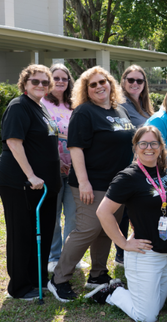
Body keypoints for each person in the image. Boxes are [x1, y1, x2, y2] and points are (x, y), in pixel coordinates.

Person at [49, 66, 136, 302]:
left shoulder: (120, 110)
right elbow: (75, 148)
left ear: (110, 84)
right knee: (87, 228)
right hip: (92, 183)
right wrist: (84, 182)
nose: (99, 87)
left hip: (117, 183)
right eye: (93, 84)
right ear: (86, 90)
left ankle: (98, 275)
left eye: (103, 82)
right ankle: (58, 278)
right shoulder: (84, 112)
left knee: (107, 230)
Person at [93, 126, 167, 322]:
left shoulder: (162, 172)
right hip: (145, 254)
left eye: (153, 143)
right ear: (135, 147)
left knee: (158, 306)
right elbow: (103, 212)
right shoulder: (128, 177)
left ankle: (123, 291)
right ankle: (114, 292)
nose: (148, 148)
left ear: (160, 147)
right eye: (143, 143)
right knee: (146, 316)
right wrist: (123, 244)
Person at [0, 64, 61, 300]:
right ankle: (19, 287)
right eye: (35, 81)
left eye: (45, 82)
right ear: (24, 83)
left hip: (43, 185)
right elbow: (14, 142)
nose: (40, 85)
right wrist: (31, 175)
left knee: (39, 231)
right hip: (19, 183)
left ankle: (36, 280)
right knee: (21, 233)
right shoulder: (19, 106)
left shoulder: (40, 108)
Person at [115, 64, 153, 266]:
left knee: (135, 209)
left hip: (145, 165)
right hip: (128, 165)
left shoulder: (146, 106)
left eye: (140, 80)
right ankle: (120, 252)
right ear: (123, 82)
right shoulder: (120, 106)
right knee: (123, 210)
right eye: (131, 80)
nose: (135, 84)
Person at [42, 63, 76, 274]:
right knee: (53, 215)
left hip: (74, 171)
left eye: (65, 78)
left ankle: (70, 255)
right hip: (52, 169)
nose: (61, 81)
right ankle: (54, 256)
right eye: (57, 77)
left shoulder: (75, 105)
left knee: (73, 215)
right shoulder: (42, 104)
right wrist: (56, 159)